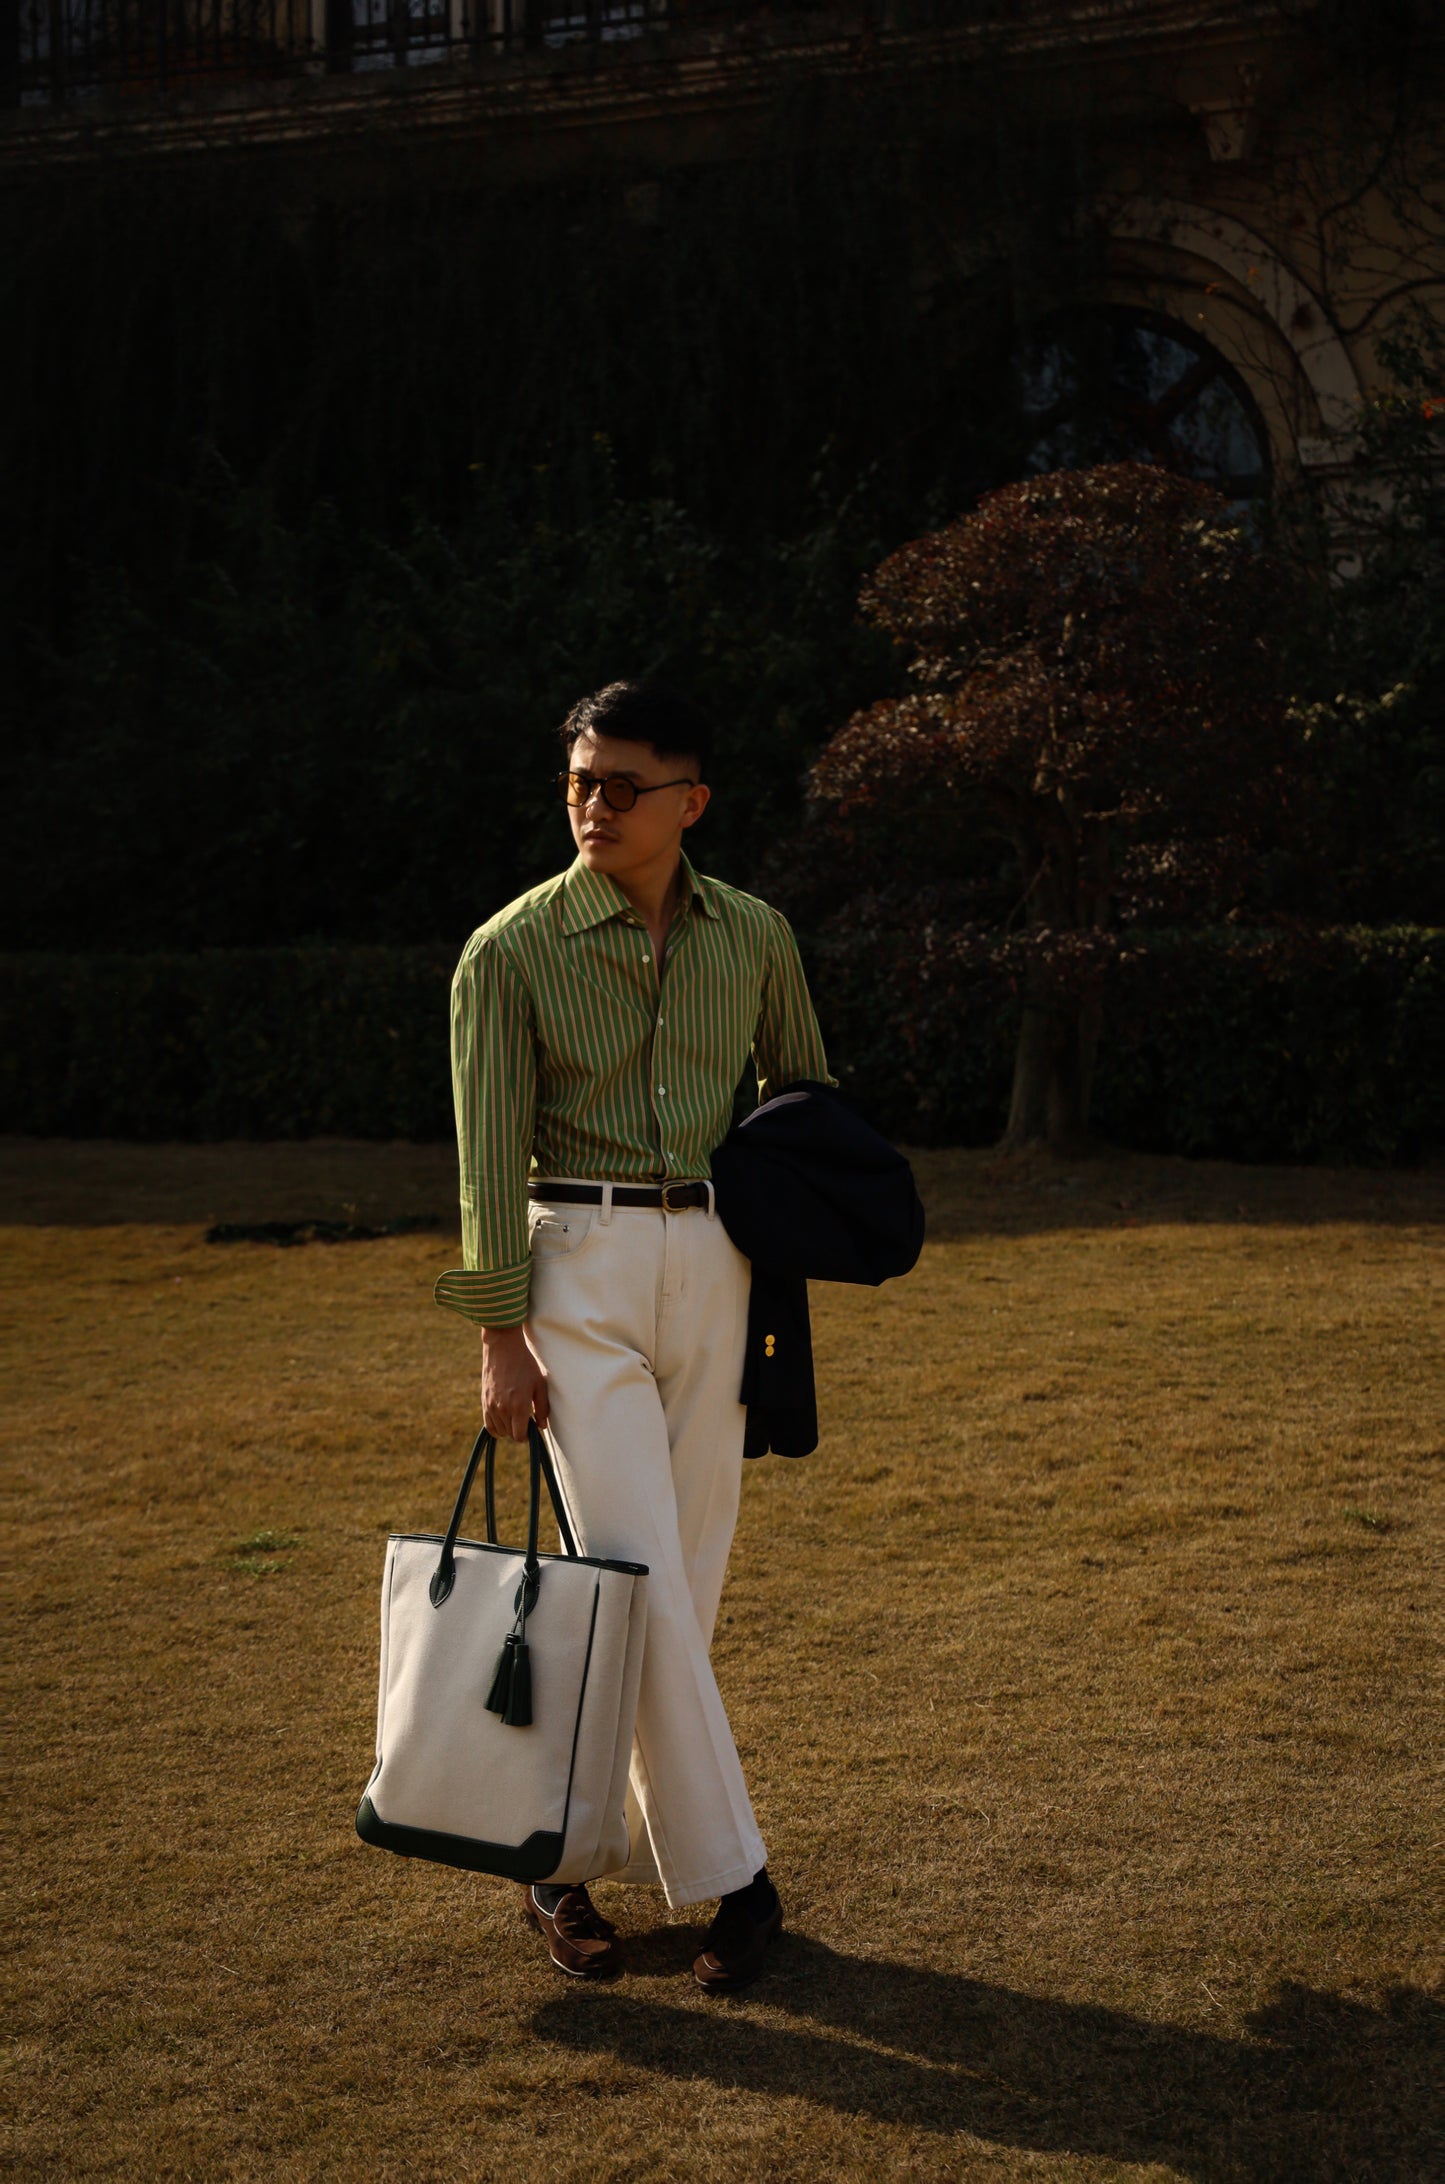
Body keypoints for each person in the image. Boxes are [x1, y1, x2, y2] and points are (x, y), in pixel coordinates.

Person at [433, 679, 832, 1992]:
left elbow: (803, 1097)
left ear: (690, 802)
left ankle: (555, 1860)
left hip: (719, 1265)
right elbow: (489, 1165)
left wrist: (799, 1232)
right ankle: (738, 1881)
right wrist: (501, 1342)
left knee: (684, 1588)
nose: (592, 805)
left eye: (620, 785)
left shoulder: (756, 935)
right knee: (633, 1575)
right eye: (577, 781)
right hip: (576, 1273)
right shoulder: (508, 951)